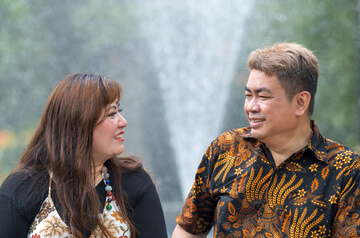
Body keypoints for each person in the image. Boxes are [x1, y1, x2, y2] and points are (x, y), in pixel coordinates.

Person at [172, 42, 360, 237]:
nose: (251, 107)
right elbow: (189, 229)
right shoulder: (225, 148)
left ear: (300, 102)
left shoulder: (345, 169)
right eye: (248, 95)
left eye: (263, 97)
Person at [0, 73, 168, 238]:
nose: (123, 121)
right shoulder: (22, 189)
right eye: (112, 113)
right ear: (80, 123)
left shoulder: (134, 183)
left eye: (119, 111)